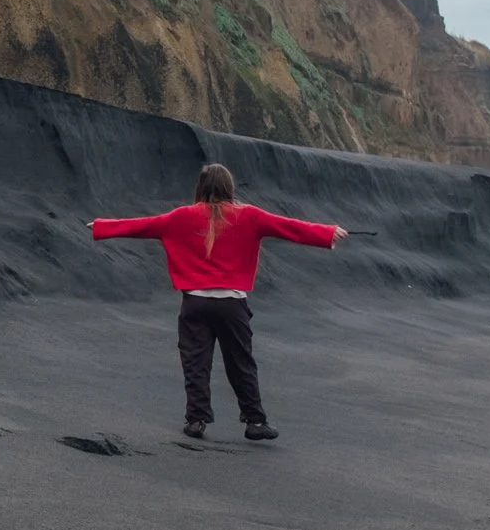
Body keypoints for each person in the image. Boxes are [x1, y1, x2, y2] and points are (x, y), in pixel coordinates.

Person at [88, 163, 345, 440]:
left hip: (195, 303)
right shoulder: (249, 216)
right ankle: (255, 421)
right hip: (232, 305)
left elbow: (142, 226)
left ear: (201, 187)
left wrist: (102, 226)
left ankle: (196, 420)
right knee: (241, 362)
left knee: (195, 362)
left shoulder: (182, 217)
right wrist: (328, 233)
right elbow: (289, 227)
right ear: (229, 188)